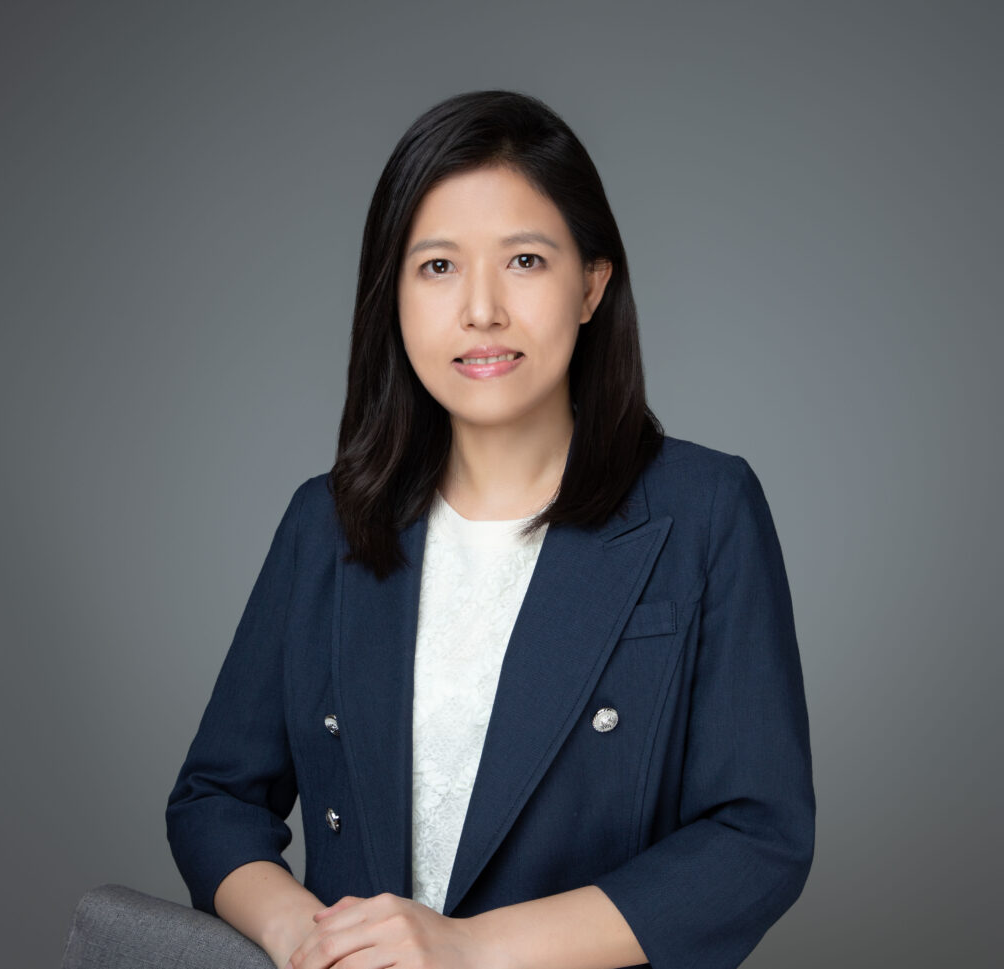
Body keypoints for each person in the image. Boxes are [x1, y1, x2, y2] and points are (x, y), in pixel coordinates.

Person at [166, 89, 815, 969]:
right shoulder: (325, 523)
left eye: (525, 260)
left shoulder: (705, 509)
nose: (481, 310)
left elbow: (756, 837)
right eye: (438, 266)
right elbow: (214, 798)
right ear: (392, 294)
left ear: (592, 284)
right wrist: (305, 936)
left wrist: (469, 948)